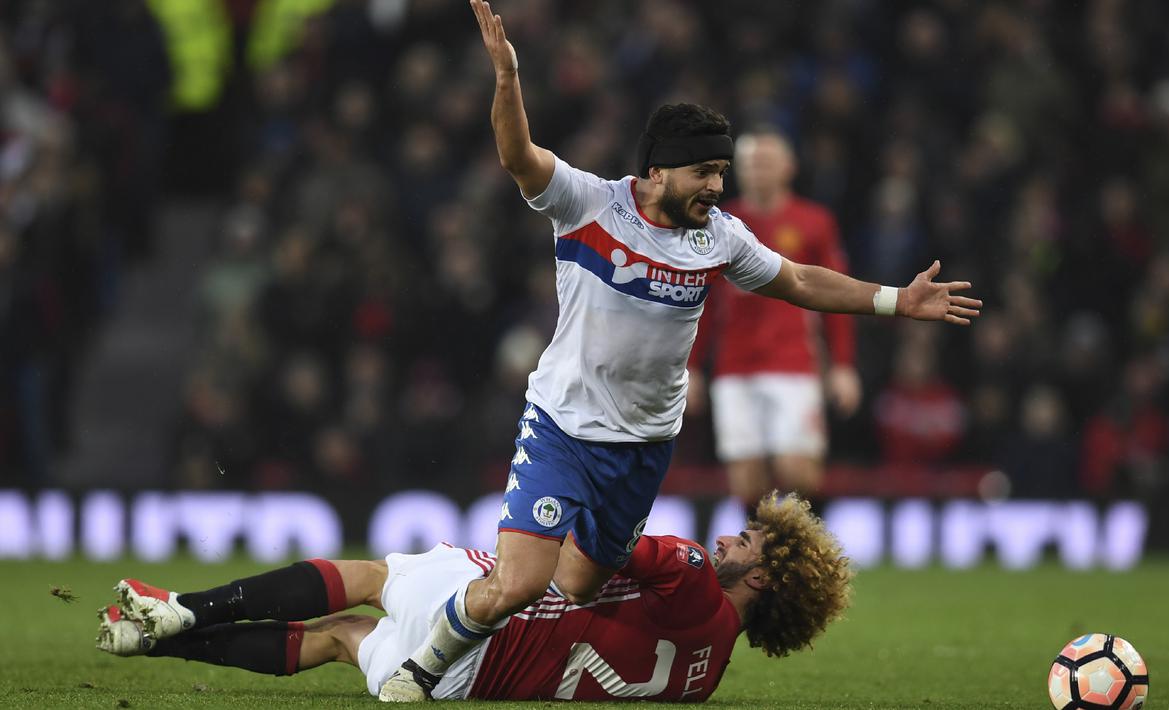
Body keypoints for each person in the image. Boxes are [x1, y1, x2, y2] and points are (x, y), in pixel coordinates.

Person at [370, 1, 979, 701]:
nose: (719, 188)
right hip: (565, 424)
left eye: (722, 172)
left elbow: (800, 279)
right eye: (706, 173)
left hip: (644, 444)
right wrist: (507, 80)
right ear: (659, 172)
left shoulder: (716, 237)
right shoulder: (589, 204)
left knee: (576, 583)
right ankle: (420, 669)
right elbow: (517, 157)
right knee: (521, 581)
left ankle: (551, 627)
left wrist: (894, 301)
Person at [97, 494, 853, 702]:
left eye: (749, 542)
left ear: (764, 578)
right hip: (466, 685)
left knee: (366, 579)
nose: (728, 540)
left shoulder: (692, 575)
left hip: (482, 623)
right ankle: (156, 639)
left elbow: (601, 543)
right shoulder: (708, 675)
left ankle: (186, 607)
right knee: (339, 635)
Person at [690, 126, 861, 517]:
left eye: (765, 162)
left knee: (797, 470)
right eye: (750, 163)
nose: (757, 170)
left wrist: (843, 365)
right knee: (746, 480)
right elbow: (702, 302)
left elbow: (836, 294)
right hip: (734, 365)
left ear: (789, 167)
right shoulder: (718, 222)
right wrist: (692, 368)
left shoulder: (814, 222)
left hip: (793, 361)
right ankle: (764, 563)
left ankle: (811, 552)